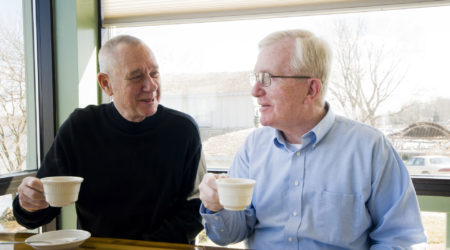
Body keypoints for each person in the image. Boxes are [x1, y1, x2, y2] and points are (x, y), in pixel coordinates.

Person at [199, 29, 427, 249]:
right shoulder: (253, 148)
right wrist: (216, 207)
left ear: (311, 90)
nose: (255, 90)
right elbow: (230, 235)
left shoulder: (371, 148)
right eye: (256, 77)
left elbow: (401, 240)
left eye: (267, 78)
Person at [13, 35, 205, 244]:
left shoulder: (183, 130)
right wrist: (28, 203)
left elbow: (196, 210)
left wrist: (137, 248)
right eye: (136, 77)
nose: (151, 85)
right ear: (106, 84)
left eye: (154, 73)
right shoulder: (80, 127)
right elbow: (40, 211)